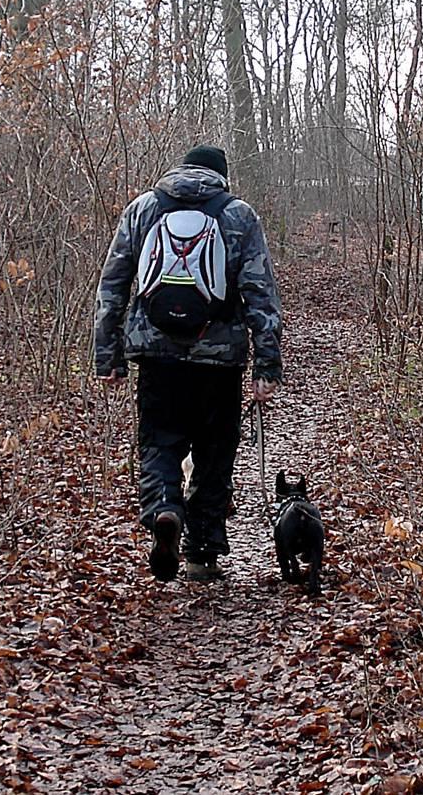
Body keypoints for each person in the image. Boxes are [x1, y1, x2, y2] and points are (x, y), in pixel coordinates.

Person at [94, 144, 282, 582]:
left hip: (157, 356)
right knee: (214, 454)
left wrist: (110, 355)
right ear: (222, 176)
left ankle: (163, 508)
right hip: (220, 360)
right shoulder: (238, 216)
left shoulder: (143, 209)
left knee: (160, 443)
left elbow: (113, 285)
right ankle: (201, 553)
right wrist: (266, 364)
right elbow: (260, 292)